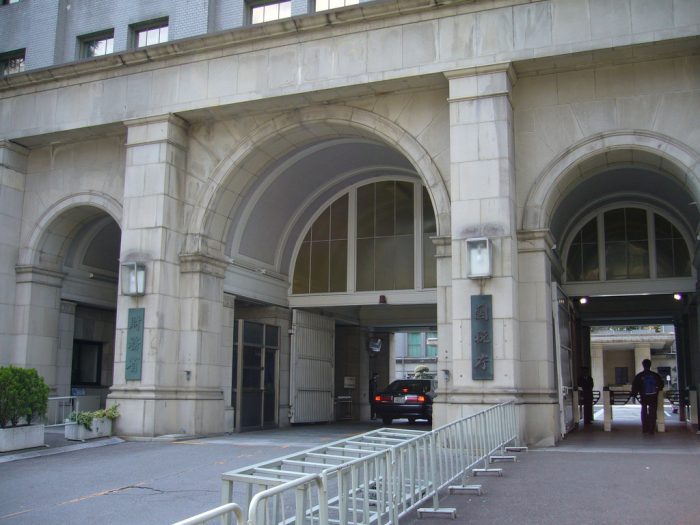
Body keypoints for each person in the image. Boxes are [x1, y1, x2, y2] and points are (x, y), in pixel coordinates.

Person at [629, 359, 664, 434]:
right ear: (650, 365)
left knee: (644, 411)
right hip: (653, 396)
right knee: (653, 412)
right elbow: (661, 385)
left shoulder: (639, 375)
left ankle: (645, 428)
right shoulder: (655, 375)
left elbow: (635, 386)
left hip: (644, 396)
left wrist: (634, 395)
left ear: (643, 365)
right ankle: (651, 429)